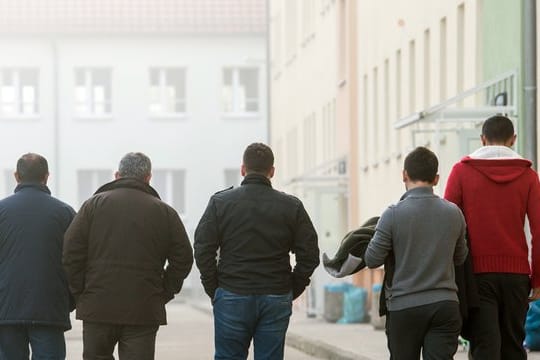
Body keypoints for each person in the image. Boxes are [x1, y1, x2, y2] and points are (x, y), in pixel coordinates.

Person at [194, 142, 320, 360]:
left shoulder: (220, 203)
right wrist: (292, 288)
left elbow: (203, 248)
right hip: (276, 294)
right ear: (272, 171)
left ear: (243, 169)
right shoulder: (292, 206)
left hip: (232, 292)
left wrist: (214, 288)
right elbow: (309, 254)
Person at [63, 152, 193, 360]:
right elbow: (184, 258)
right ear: (148, 177)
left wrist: (82, 292)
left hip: (98, 306)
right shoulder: (165, 212)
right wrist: (163, 291)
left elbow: (71, 253)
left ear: (117, 175)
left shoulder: (92, 207)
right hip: (143, 307)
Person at [444, 114, 540, 359]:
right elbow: (539, 230)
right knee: (513, 347)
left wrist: (448, 275)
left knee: (484, 346)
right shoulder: (529, 176)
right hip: (517, 276)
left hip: (476, 275)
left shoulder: (461, 172)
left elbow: (445, 227)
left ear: (482, 139)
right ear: (513, 140)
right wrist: (538, 278)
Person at [365, 146, 468, 360]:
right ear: (437, 178)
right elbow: (460, 257)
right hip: (445, 306)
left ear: (404, 175)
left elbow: (372, 260)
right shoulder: (454, 213)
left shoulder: (392, 215)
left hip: (404, 307)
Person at [0, 153, 76, 360]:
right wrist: (70, 300)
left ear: (17, 176)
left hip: (6, 309)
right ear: (46, 176)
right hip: (49, 308)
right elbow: (76, 261)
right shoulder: (65, 213)